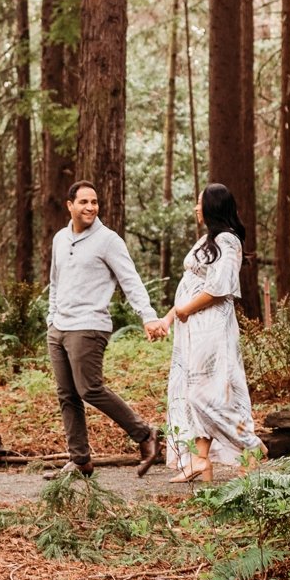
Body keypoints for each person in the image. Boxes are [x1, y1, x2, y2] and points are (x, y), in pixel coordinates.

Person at [44, 180, 165, 479]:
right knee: (67, 395)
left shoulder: (109, 240)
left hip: (89, 326)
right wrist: (51, 318)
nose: (90, 207)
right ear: (69, 205)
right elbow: (55, 283)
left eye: (94, 202)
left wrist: (147, 316)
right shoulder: (60, 238)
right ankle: (80, 460)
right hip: (59, 327)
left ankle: (145, 434)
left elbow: (131, 280)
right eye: (83, 202)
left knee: (89, 389)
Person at [159, 183, 263, 482]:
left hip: (212, 328)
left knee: (210, 393)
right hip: (191, 327)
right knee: (190, 392)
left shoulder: (229, 241)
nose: (195, 207)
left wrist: (186, 311)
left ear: (213, 207)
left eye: (199, 202)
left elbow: (220, 288)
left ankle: (252, 446)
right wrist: (170, 318)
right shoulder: (208, 240)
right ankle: (200, 460)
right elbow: (189, 284)